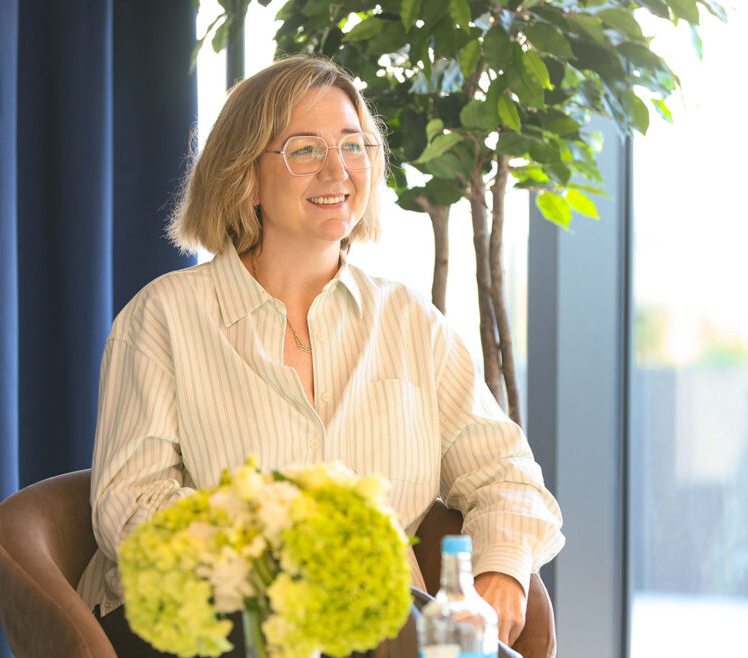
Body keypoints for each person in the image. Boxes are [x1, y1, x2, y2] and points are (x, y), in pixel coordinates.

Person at [76, 55, 564, 656]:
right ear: (245, 174)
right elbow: (131, 507)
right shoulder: (162, 318)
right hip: (212, 630)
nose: (338, 169)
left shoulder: (413, 322)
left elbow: (508, 475)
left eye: (353, 146)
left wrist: (503, 569)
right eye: (305, 149)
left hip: (379, 630)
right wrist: (291, 561)